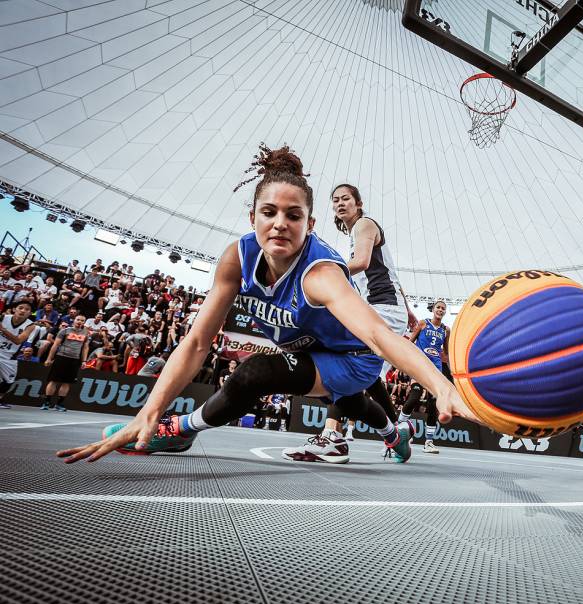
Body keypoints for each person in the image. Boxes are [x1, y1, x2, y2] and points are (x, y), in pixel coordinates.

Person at [57, 144, 474, 465]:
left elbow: (380, 335)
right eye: (269, 212)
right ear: (252, 216)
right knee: (345, 401)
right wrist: (148, 410)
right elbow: (198, 340)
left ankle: (181, 430)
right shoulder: (237, 258)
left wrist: (440, 386)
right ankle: (391, 432)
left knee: (261, 372)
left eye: (294, 216)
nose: (280, 223)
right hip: (310, 345)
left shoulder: (321, 274)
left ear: (309, 226)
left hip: (353, 353)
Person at [322, 183, 417, 443]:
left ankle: (331, 436)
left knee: (350, 362)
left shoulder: (364, 225)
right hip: (385, 307)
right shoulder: (355, 233)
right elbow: (390, 273)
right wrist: (407, 310)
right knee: (371, 374)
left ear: (358, 203)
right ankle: (398, 427)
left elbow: (362, 263)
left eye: (345, 199)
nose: (340, 203)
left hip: (383, 308)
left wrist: (321, 275)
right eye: (335, 200)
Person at [398, 300, 450, 454]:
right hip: (420, 366)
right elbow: (410, 343)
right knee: (414, 397)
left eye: (443, 308)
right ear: (433, 310)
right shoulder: (422, 324)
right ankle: (398, 429)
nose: (440, 310)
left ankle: (429, 441)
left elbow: (445, 353)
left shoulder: (446, 330)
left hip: (436, 369)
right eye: (438, 307)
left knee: (433, 404)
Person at [41, 314, 90, 411]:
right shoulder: (64, 331)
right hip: (61, 357)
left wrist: (84, 360)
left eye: (82, 320)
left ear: (84, 323)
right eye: (78, 320)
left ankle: (59, 404)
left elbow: (85, 347)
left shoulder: (86, 333)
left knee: (66, 383)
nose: (79, 322)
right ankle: (46, 402)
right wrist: (49, 359)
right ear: (74, 321)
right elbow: (55, 345)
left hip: (75, 360)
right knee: (53, 380)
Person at [0, 301, 36, 409]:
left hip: (9, 356)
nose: (23, 311)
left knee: (9, 381)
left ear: (29, 313)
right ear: (14, 309)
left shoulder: (30, 325)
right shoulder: (3, 317)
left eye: (27, 309)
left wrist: (2, 329)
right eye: (20, 308)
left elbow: (18, 341)